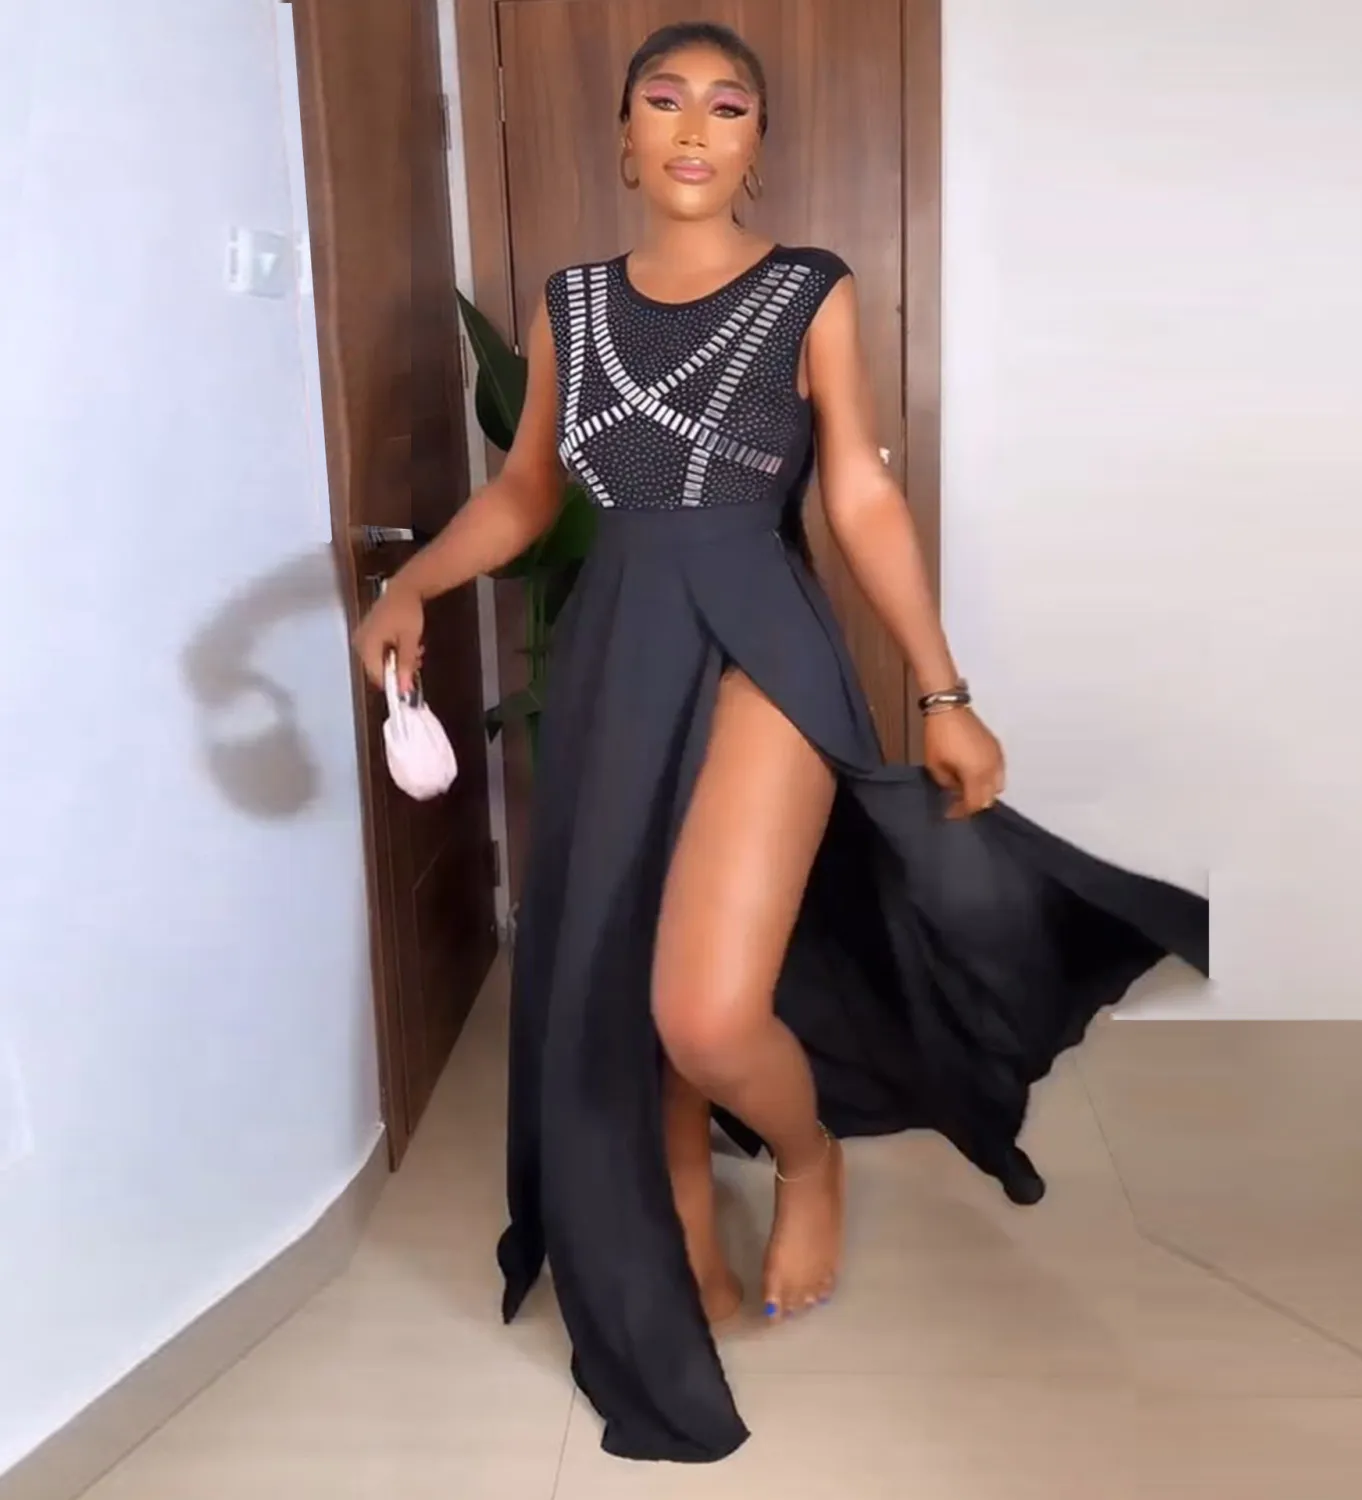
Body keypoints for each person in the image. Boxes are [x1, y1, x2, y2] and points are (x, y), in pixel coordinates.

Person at [353, 20, 1209, 1465]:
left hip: (767, 646)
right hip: (620, 655)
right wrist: (411, 587)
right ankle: (680, 1201)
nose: (695, 125)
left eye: (729, 105)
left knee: (704, 1008)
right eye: (665, 100)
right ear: (625, 137)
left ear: (757, 145)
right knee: (625, 963)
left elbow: (858, 496)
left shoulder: (809, 287)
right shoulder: (570, 304)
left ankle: (810, 1162)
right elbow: (524, 493)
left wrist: (942, 692)